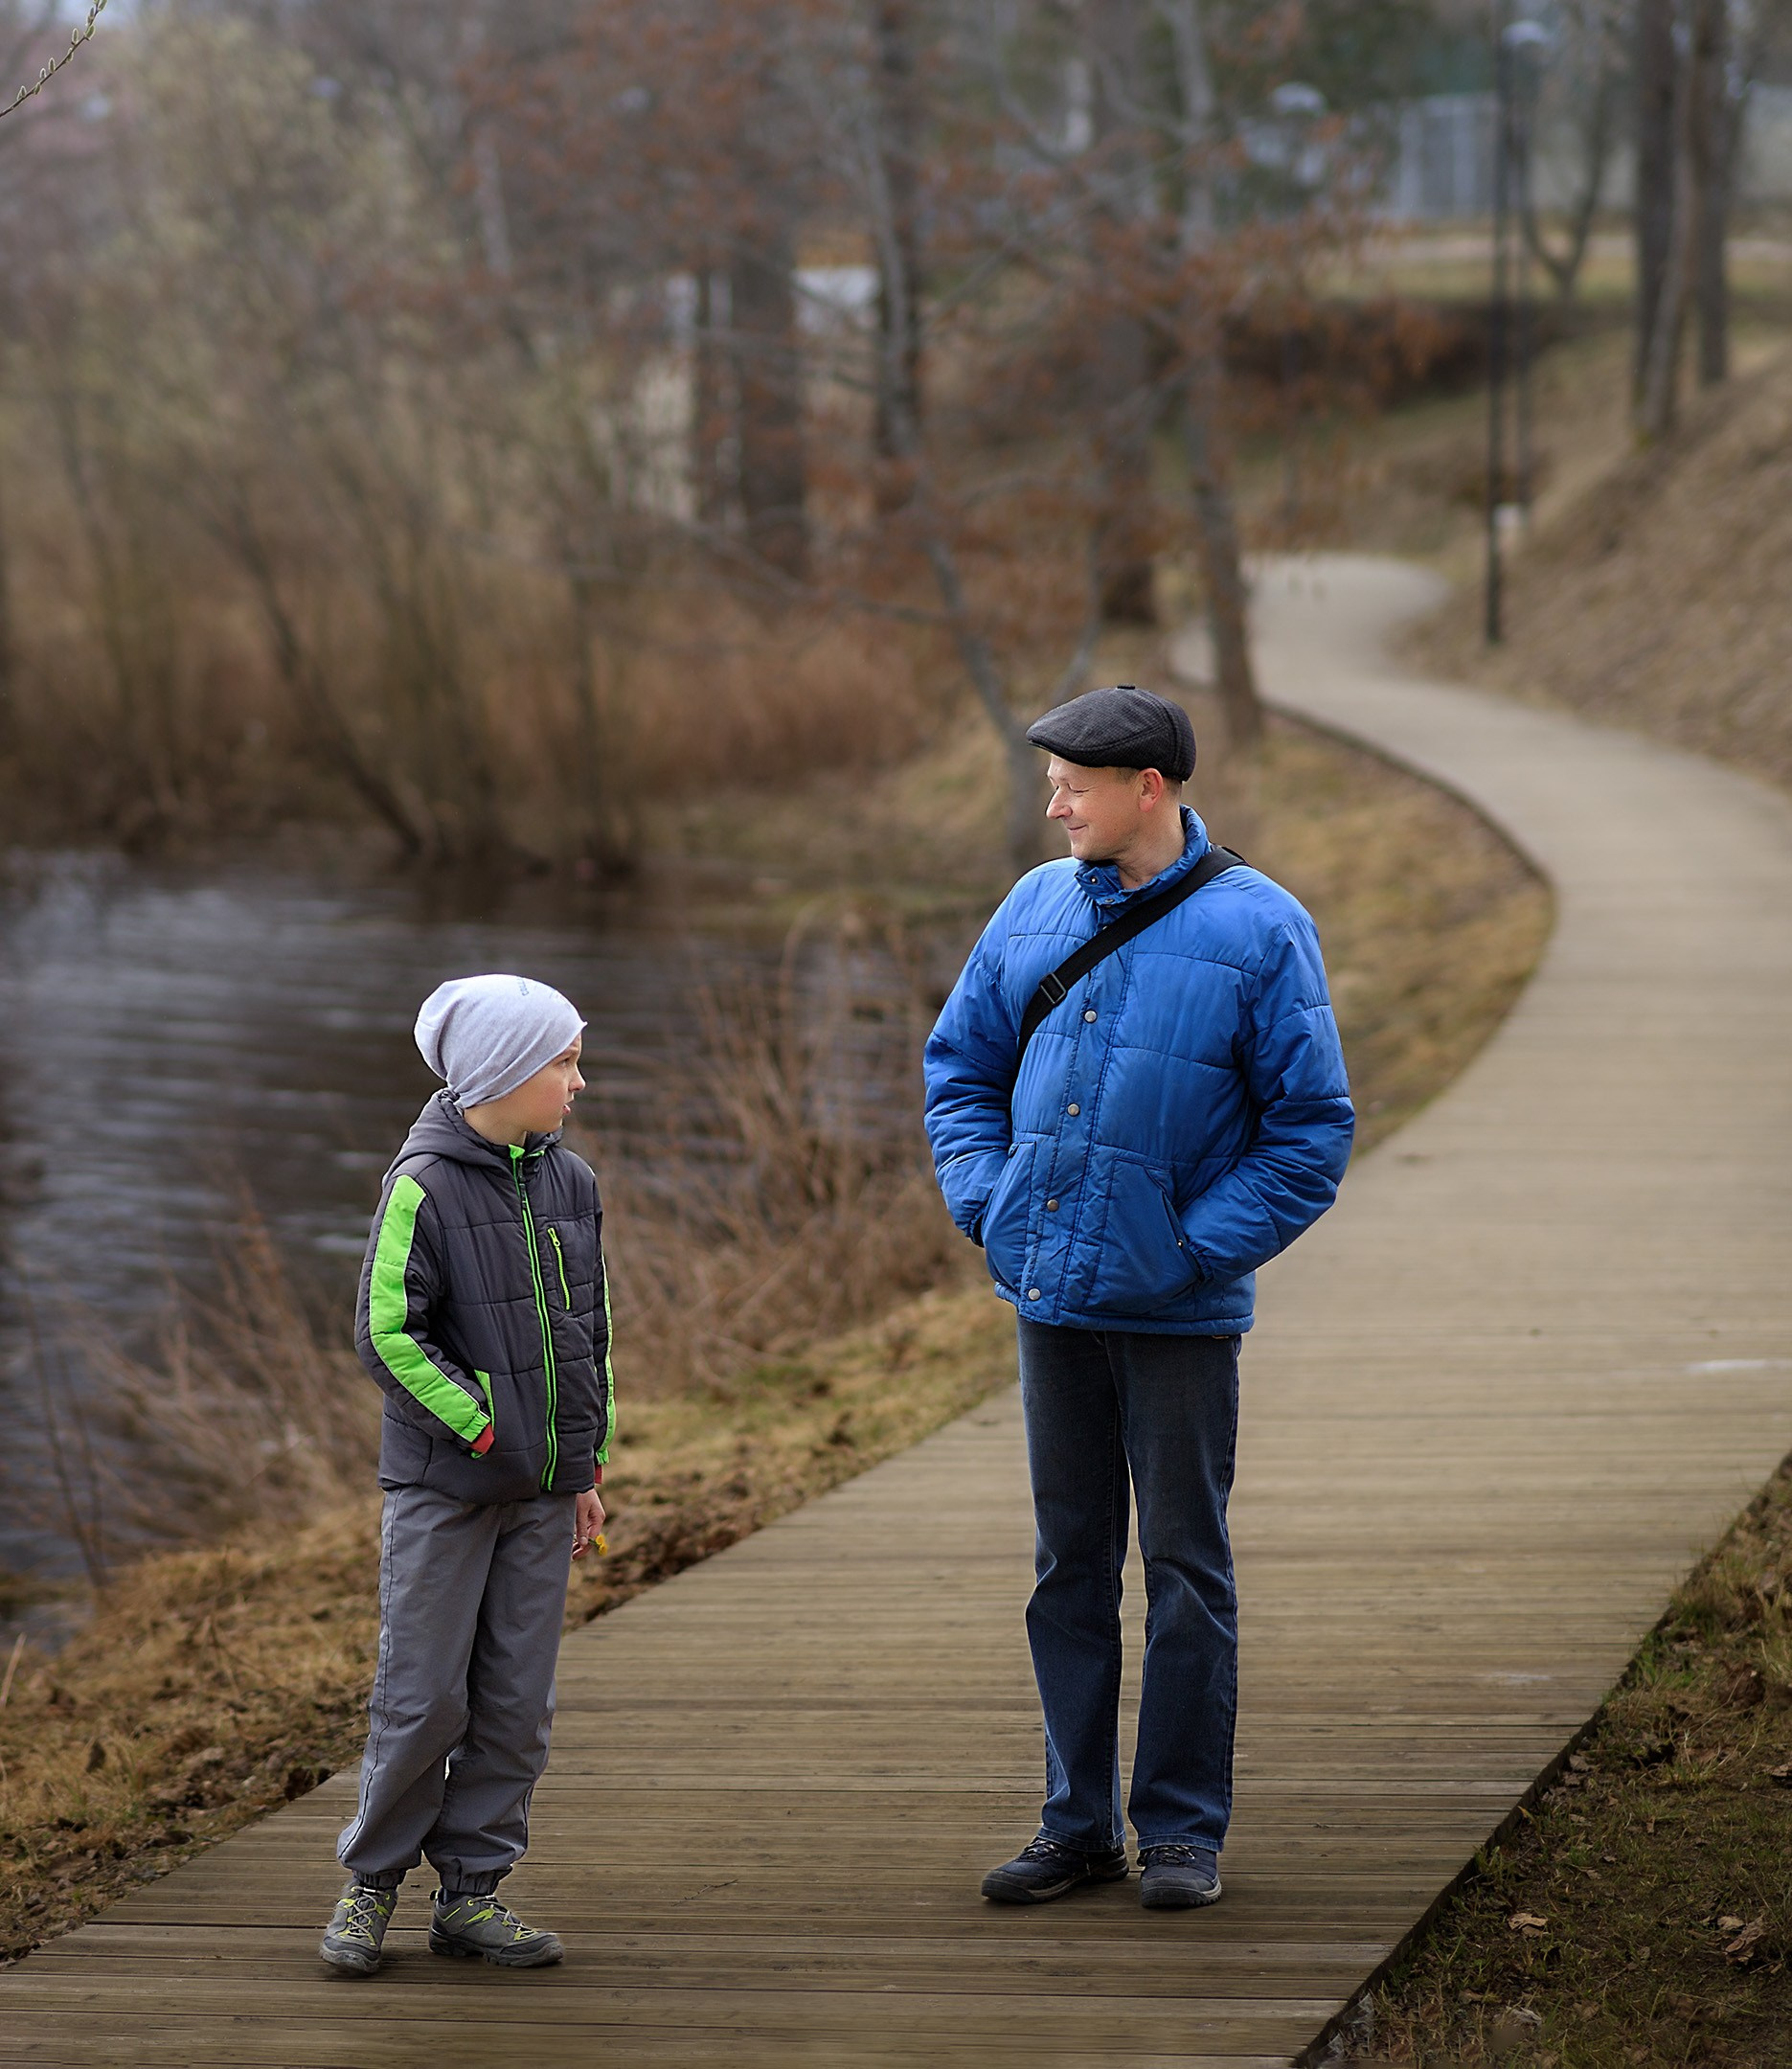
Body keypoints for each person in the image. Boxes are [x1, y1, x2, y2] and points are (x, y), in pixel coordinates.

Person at [922, 685, 1353, 1911]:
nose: (1051, 802)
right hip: (1046, 1298)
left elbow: (1309, 1133)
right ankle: (1074, 1826)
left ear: (1147, 789)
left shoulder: (1263, 928)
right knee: (1068, 1565)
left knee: (1183, 1568)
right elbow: (956, 1069)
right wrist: (987, 1202)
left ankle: (1176, 1833)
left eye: (1073, 783)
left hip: (1176, 1312)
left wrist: (1183, 1251)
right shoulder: (1029, 906)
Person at [319, 973, 615, 1976]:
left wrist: (580, 1467)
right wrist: (485, 1429)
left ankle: (472, 1895)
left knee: (513, 1704)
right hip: (447, 1492)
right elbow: (385, 1334)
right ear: (499, 1072)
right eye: (562, 1062)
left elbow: (588, 1337)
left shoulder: (571, 1184)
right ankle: (369, 1888)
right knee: (423, 1697)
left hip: (541, 1496)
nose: (579, 1082)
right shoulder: (423, 1185)